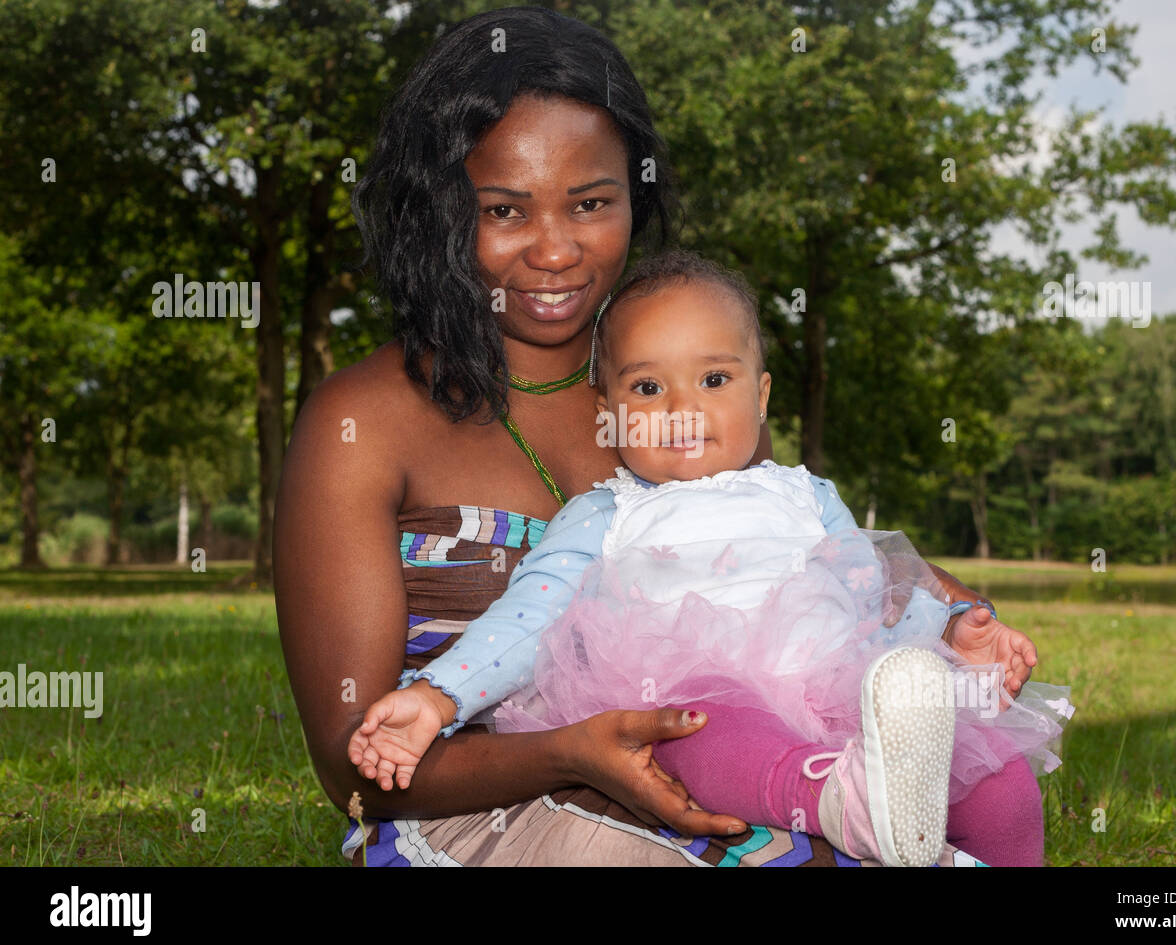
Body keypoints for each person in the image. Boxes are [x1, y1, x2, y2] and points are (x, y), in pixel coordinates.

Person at [275, 6, 1049, 867]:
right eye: (505, 210)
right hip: (490, 817)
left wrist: (957, 623)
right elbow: (353, 767)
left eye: (591, 203)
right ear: (441, 211)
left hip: (750, 775)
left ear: (633, 199)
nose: (556, 250)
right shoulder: (361, 424)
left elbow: (814, 557)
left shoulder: (677, 388)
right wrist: (567, 752)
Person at [347, 251, 1072, 866]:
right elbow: (528, 618)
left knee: (1001, 780)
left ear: (760, 396)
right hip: (698, 695)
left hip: (840, 697)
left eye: (714, 381)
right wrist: (437, 697)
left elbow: (867, 595)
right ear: (609, 410)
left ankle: (959, 830)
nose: (681, 407)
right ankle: (844, 803)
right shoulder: (608, 512)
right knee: (701, 729)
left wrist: (950, 635)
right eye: (648, 386)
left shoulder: (805, 496)